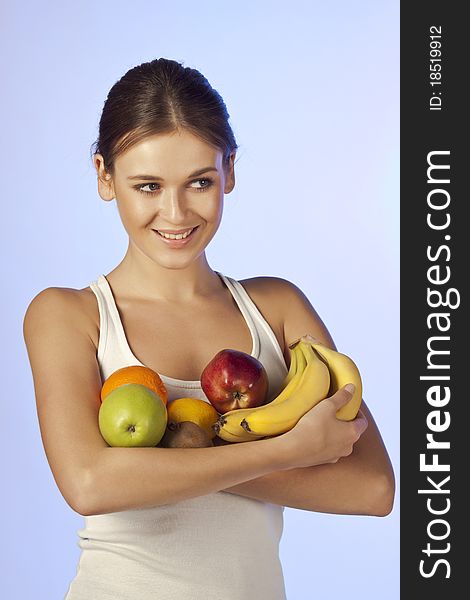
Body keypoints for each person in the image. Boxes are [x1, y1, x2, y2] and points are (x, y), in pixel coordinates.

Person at [23, 57, 395, 600]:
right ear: (104, 177)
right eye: (147, 186)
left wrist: (163, 464)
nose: (175, 214)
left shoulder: (276, 307)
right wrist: (287, 451)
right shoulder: (68, 315)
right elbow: (89, 483)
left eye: (199, 181)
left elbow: (372, 489)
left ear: (231, 171)